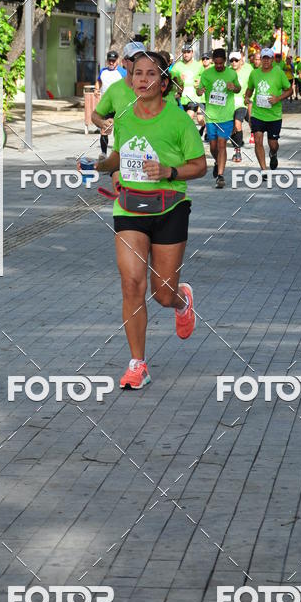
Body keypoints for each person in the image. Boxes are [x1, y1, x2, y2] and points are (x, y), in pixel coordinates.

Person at [91, 51, 206, 390]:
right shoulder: (124, 117)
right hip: (129, 209)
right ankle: (137, 364)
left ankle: (181, 301)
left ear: (164, 82)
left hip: (170, 208)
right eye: (137, 73)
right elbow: (120, 156)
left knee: (162, 294)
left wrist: (169, 171)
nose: (141, 79)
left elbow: (199, 166)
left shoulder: (179, 121)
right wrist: (101, 166)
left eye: (150, 74)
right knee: (131, 284)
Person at [91, 42, 147, 155]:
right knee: (105, 131)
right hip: (124, 156)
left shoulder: (156, 87)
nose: (138, 62)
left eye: (142, 58)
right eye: (134, 59)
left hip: (151, 156)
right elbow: (95, 115)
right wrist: (102, 123)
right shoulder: (113, 87)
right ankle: (103, 153)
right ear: (124, 62)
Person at [196, 49, 240, 188]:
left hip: (226, 116)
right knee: (213, 147)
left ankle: (220, 176)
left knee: (222, 145)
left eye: (221, 63)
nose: (219, 66)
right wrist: (200, 91)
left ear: (225, 61)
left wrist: (234, 87)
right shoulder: (207, 73)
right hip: (211, 116)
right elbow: (199, 91)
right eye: (217, 63)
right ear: (213, 61)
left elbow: (239, 88)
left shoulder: (231, 73)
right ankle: (217, 162)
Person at [244, 47, 292, 176]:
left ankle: (273, 154)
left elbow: (289, 90)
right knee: (258, 140)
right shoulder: (254, 73)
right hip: (258, 114)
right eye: (263, 58)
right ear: (260, 59)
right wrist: (247, 97)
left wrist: (278, 98)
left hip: (274, 116)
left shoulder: (279, 73)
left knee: (273, 144)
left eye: (268, 58)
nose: (265, 61)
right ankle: (264, 169)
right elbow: (249, 89)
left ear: (272, 59)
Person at [170, 43, 205, 134]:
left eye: (188, 52)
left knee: (189, 116)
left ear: (192, 53)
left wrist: (200, 81)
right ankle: (203, 126)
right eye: (184, 52)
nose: (186, 54)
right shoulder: (177, 66)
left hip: (194, 97)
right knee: (185, 118)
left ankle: (185, 135)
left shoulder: (198, 66)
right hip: (182, 98)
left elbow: (205, 78)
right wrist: (177, 77)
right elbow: (171, 77)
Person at [95, 51, 126, 155]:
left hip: (119, 106)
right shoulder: (103, 71)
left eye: (113, 61)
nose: (111, 63)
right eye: (110, 61)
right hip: (106, 106)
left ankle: (119, 153)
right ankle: (103, 153)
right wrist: (96, 89)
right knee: (104, 130)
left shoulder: (123, 72)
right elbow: (99, 81)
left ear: (117, 60)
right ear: (107, 61)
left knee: (119, 131)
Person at [229, 51, 253, 162]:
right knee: (231, 129)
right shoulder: (226, 72)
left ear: (241, 61)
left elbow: (253, 85)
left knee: (238, 124)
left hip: (241, 104)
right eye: (231, 61)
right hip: (227, 105)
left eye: (236, 60)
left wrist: (249, 98)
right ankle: (237, 144)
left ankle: (237, 151)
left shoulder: (248, 70)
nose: (234, 63)